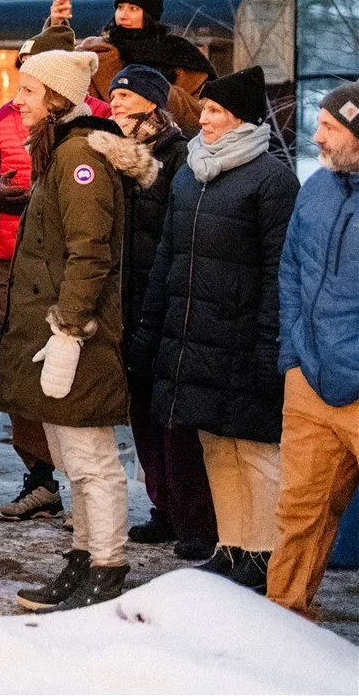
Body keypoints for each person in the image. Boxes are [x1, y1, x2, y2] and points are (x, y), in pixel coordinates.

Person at [0, 47, 147, 613]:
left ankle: (106, 566)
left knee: (91, 461)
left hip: (76, 335)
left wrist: (69, 329)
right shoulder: (61, 150)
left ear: (56, 98)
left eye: (28, 91)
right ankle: (83, 558)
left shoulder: (80, 158)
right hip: (51, 333)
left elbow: (90, 255)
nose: (17, 100)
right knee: (69, 458)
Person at [127, 66, 296, 593]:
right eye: (203, 111)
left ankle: (265, 551)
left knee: (255, 450)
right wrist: (152, 331)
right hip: (193, 333)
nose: (205, 120)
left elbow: (279, 271)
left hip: (244, 335)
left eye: (216, 112)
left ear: (242, 118)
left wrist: (269, 343)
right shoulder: (190, 174)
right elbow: (167, 260)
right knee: (215, 446)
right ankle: (232, 545)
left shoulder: (271, 180)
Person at [107, 63, 212, 558]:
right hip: (127, 301)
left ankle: (193, 517)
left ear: (152, 101)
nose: (117, 103)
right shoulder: (115, 152)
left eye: (126, 96)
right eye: (114, 96)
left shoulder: (176, 154)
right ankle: (162, 507)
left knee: (172, 418)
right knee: (141, 412)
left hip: (163, 298)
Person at [0, 25, 83, 522]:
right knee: (19, 368)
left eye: (27, 86)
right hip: (7, 260)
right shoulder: (2, 120)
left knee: (65, 372)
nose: (17, 97)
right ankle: (40, 477)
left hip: (63, 270)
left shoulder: (90, 127)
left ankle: (81, 486)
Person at [266, 83, 359, 616]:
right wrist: (294, 354)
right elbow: (291, 272)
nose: (316, 137)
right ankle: (286, 620)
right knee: (299, 510)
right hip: (309, 379)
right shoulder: (316, 188)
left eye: (330, 127)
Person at [49, 0, 213, 119]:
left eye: (133, 8)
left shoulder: (178, 52)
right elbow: (55, 78)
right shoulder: (98, 51)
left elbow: (204, 110)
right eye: (120, 7)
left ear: (149, 15)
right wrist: (56, 26)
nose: (123, 15)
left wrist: (162, 93)